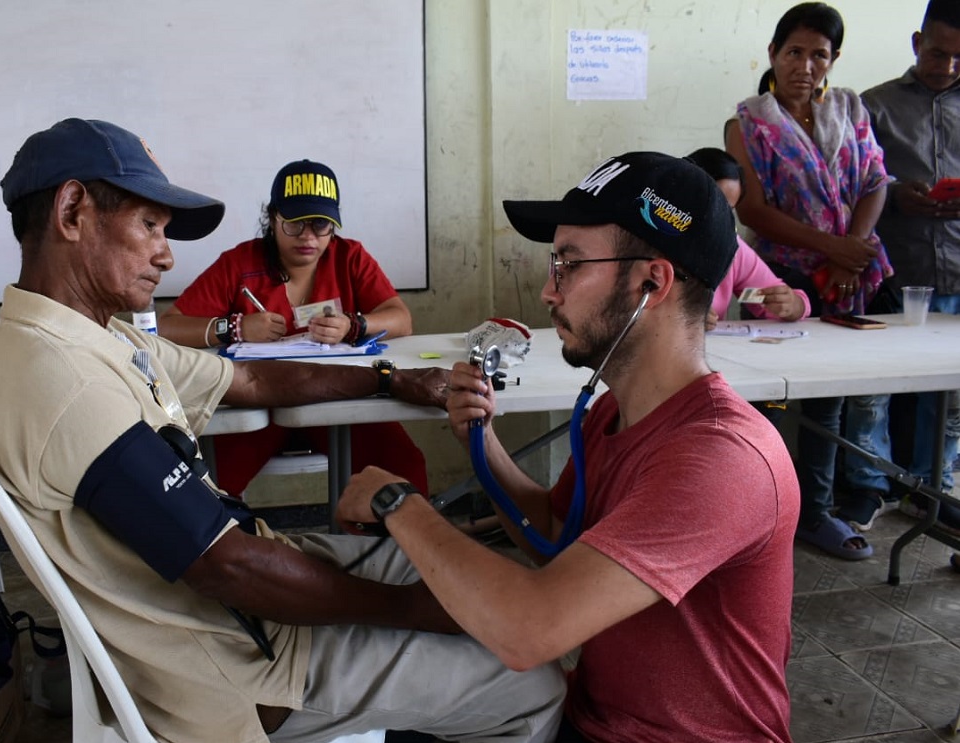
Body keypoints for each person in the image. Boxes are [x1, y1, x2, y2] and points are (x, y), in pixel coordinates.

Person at [0, 118, 564, 743]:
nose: (166, 254)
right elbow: (227, 569)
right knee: (533, 682)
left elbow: (249, 383)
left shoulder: (95, 339)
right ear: (72, 210)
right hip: (242, 661)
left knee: (470, 582)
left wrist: (390, 381)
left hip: (250, 600)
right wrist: (408, 614)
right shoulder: (66, 383)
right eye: (150, 226)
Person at [339, 151, 799, 742]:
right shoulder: (613, 408)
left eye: (568, 265)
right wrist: (481, 444)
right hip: (590, 720)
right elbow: (559, 536)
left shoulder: (722, 459)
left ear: (651, 283)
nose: (547, 290)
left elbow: (530, 629)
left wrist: (399, 504)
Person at [726, 1, 896, 559]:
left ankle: (815, 512)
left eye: (819, 55)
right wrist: (835, 250)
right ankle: (755, 511)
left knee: (831, 401)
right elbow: (754, 211)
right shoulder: (748, 123)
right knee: (768, 397)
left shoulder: (850, 111)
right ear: (773, 54)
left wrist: (852, 257)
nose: (805, 65)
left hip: (852, 273)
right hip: (779, 276)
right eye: (794, 52)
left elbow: (875, 182)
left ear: (834, 60)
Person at [159, 159, 428, 498]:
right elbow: (167, 327)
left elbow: (401, 319)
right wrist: (234, 328)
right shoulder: (240, 263)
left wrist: (353, 325)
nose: (308, 237)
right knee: (198, 487)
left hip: (334, 398)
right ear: (272, 220)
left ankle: (392, 547)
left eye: (320, 225)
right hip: (258, 406)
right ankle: (224, 545)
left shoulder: (349, 257)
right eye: (294, 225)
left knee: (404, 466)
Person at [862, 0, 960, 532]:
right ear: (917, 42)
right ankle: (871, 487)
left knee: (950, 395)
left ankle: (933, 488)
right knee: (878, 390)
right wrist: (899, 195)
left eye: (959, 58)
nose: (947, 66)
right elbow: (856, 186)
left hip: (959, 268)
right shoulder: (873, 106)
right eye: (938, 53)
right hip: (897, 270)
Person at [684, 147, 810, 329]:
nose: (718, 216)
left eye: (728, 209)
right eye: (712, 203)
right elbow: (631, 310)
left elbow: (772, 295)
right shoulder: (645, 239)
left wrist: (794, 306)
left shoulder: (731, 248)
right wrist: (677, 319)